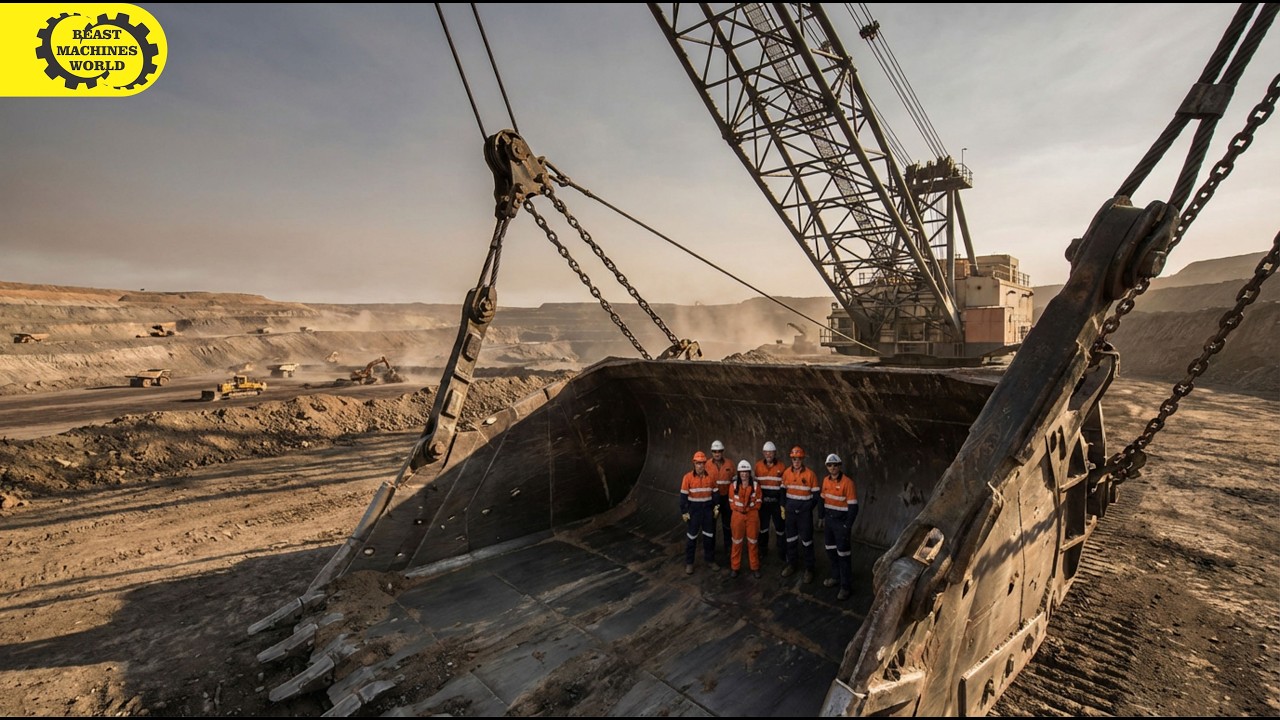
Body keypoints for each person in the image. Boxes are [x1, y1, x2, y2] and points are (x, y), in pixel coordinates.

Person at [819, 453, 858, 600]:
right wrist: (821, 517)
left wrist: (847, 525)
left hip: (841, 524)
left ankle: (845, 586)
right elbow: (822, 500)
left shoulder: (848, 483)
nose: (833, 468)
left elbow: (853, 507)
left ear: (839, 466)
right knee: (830, 550)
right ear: (827, 467)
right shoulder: (825, 481)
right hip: (829, 522)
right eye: (830, 465)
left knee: (843, 555)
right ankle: (836, 577)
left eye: (835, 465)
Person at [780, 445, 820, 582]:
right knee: (790, 539)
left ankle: (809, 568)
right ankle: (792, 564)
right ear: (791, 459)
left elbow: (816, 496)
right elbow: (782, 492)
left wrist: (807, 508)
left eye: (798, 459)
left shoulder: (810, 474)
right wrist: (784, 506)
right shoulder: (786, 473)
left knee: (807, 541)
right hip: (791, 512)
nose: (796, 461)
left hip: (804, 514)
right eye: (794, 459)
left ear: (802, 459)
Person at [679, 450, 717, 574]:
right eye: (698, 463)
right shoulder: (687, 478)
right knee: (691, 538)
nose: (700, 466)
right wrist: (684, 512)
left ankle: (710, 560)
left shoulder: (711, 477)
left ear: (705, 464)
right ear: (694, 464)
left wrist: (716, 508)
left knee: (709, 537)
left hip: (707, 511)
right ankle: (689, 563)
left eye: (702, 463)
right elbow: (683, 498)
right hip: (694, 512)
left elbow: (715, 494)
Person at [727, 459, 762, 578]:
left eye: (746, 472)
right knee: (736, 542)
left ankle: (755, 567)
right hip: (737, 516)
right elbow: (731, 502)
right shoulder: (733, 486)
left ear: (749, 472)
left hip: (752, 516)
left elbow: (759, 502)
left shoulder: (756, 486)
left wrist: (750, 509)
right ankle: (735, 567)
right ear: (738, 473)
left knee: (753, 542)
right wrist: (740, 510)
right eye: (742, 472)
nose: (744, 474)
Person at [754, 441, 786, 562]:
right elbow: (756, 486)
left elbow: (783, 488)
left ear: (775, 453)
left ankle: (782, 551)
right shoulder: (758, 466)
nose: (768, 454)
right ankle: (763, 550)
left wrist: (782, 503)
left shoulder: (782, 467)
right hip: (763, 504)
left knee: (780, 528)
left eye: (771, 452)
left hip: (776, 503)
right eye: (766, 452)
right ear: (763, 453)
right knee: (763, 528)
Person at [706, 439, 735, 564]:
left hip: (726, 499)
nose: (717, 454)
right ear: (712, 452)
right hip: (713, 498)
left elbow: (734, 483)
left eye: (719, 451)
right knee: (711, 525)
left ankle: (728, 548)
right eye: (714, 451)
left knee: (727, 525)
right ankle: (711, 550)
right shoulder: (706, 464)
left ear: (722, 452)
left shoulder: (730, 464)